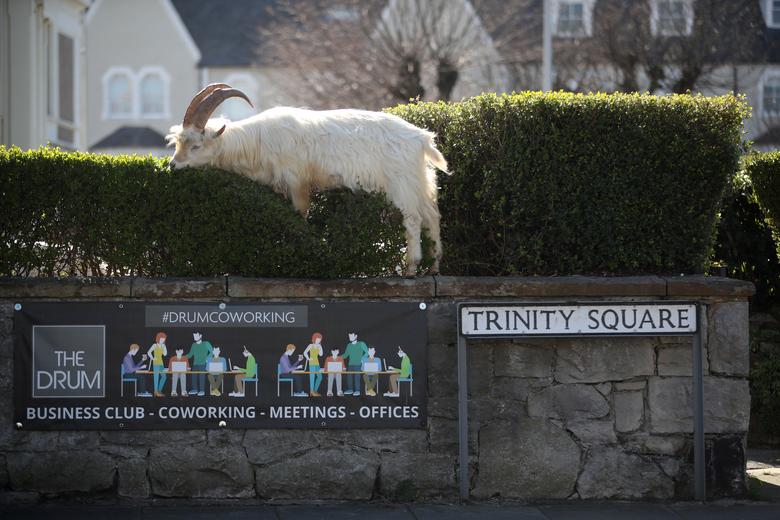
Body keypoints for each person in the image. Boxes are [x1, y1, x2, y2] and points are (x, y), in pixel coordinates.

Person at [186, 331, 213, 397]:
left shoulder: (206, 343)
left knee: (202, 377)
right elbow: (190, 355)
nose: (194, 337)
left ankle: (202, 390)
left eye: (196, 336)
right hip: (195, 364)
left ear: (200, 336)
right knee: (193, 376)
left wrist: (207, 359)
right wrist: (181, 356)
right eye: (194, 336)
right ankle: (195, 389)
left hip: (203, 364)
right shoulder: (194, 345)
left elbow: (211, 352)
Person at [342, 332, 368, 396]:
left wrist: (362, 359)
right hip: (350, 364)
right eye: (349, 336)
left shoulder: (361, 344)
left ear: (356, 336)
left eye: (351, 336)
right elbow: (345, 355)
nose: (350, 338)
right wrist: (337, 357)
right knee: (349, 377)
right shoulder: (349, 345)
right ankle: (350, 389)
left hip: (358, 364)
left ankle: (357, 390)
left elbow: (367, 352)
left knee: (357, 377)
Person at [147, 332, 168, 397]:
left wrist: (164, 347)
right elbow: (149, 352)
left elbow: (165, 354)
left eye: (164, 339)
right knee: (156, 377)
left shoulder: (163, 346)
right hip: (156, 363)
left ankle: (159, 390)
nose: (162, 340)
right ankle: (155, 392)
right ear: (158, 338)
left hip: (161, 363)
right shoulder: (154, 345)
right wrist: (153, 358)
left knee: (164, 377)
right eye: (161, 339)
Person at [303, 332, 324, 397]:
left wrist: (320, 347)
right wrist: (308, 359)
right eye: (318, 339)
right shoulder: (310, 345)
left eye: (320, 339)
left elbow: (321, 355)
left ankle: (315, 390)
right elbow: (305, 352)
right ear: (314, 338)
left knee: (320, 377)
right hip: (312, 363)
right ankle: (311, 391)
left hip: (317, 363)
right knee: (312, 377)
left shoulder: (319, 346)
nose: (319, 340)